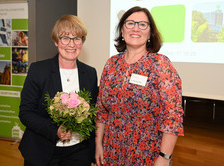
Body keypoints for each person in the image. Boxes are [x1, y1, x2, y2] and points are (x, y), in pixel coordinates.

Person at [95, 6, 184, 166]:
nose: (136, 28)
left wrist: (164, 157)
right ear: (122, 31)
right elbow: (101, 110)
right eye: (130, 23)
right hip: (112, 150)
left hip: (147, 153)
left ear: (150, 33)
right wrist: (98, 145)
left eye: (143, 24)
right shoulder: (111, 64)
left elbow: (172, 116)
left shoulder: (160, 65)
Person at [18, 15, 98, 166]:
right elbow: (25, 113)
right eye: (65, 38)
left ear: (82, 42)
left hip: (79, 152)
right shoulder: (38, 70)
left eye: (77, 38)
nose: (71, 44)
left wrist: (93, 153)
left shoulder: (90, 73)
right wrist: (54, 130)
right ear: (56, 41)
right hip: (42, 151)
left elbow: (93, 115)